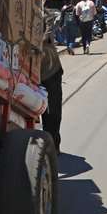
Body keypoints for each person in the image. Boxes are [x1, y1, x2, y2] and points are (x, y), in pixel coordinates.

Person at [41, 9, 64, 153]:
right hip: (30, 73)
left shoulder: (44, 14)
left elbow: (48, 32)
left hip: (51, 71)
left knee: (53, 112)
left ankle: (54, 143)